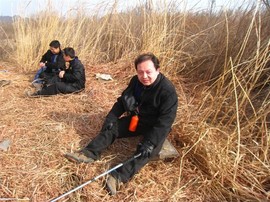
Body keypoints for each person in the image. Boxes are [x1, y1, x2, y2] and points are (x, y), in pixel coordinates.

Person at [65, 52, 178, 195]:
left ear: (157, 70)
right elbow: (122, 101)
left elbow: (165, 122)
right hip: (137, 120)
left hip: (156, 126)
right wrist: (111, 118)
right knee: (112, 128)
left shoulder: (168, 91)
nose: (144, 76)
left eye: (148, 72)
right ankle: (89, 153)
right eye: (140, 72)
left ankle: (118, 177)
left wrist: (150, 142)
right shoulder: (135, 82)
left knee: (144, 152)